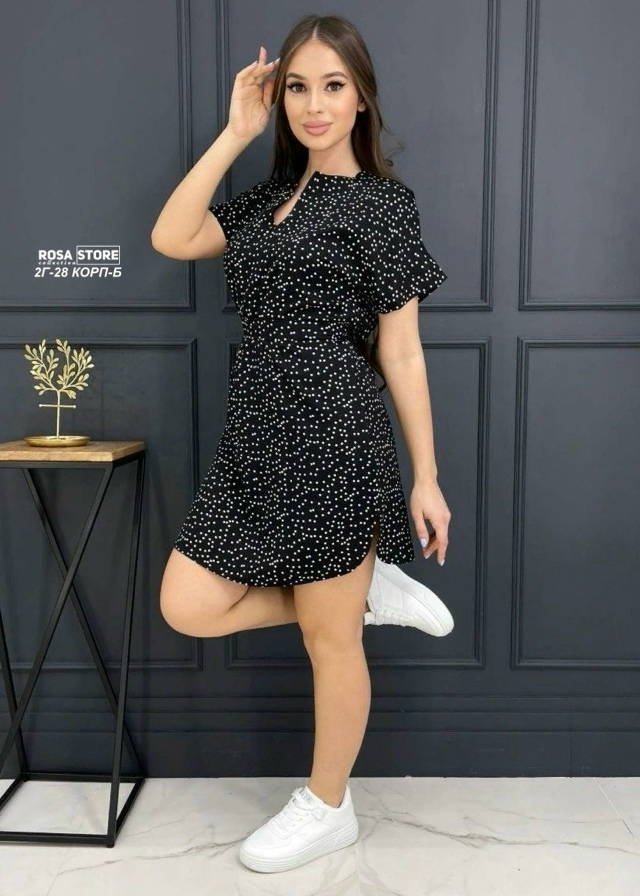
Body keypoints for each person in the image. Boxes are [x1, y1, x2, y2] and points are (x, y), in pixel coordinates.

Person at [151, 13, 452, 874]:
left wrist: (426, 477)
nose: (314, 105)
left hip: (335, 437)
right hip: (254, 442)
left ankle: (328, 806)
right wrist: (235, 133)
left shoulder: (384, 206)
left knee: (330, 644)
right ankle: (365, 589)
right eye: (297, 87)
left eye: (332, 86)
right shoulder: (263, 201)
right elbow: (171, 236)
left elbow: (402, 351)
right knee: (187, 603)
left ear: (361, 99)